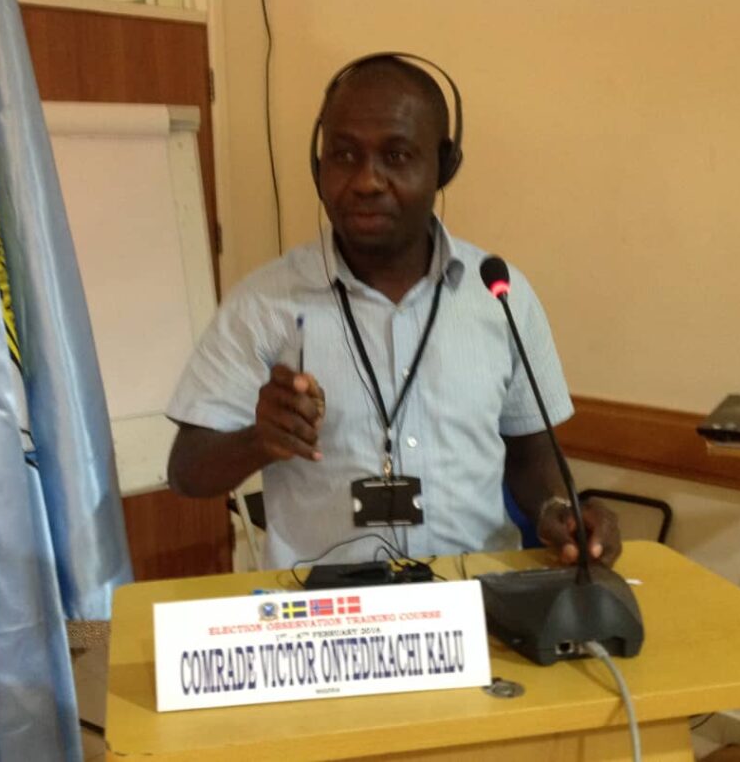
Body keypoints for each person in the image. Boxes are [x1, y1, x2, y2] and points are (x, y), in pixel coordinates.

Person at [166, 54, 620, 570]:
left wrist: (559, 511)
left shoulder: (500, 293)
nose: (367, 181)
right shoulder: (262, 304)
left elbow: (532, 458)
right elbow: (186, 471)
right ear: (318, 166)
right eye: (344, 155)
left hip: (477, 599)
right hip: (330, 607)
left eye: (397, 156)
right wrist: (259, 441)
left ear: (445, 165)